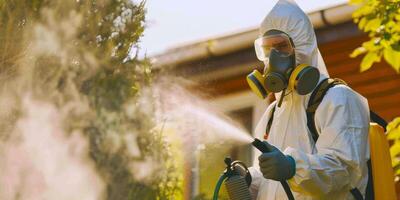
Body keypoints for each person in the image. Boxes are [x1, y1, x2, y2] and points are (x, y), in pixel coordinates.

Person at [247, 0, 370, 199]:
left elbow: (344, 172)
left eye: (281, 46)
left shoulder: (336, 98)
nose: (273, 58)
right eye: (268, 50)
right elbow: (269, 183)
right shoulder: (272, 113)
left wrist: (293, 168)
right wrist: (247, 180)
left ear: (303, 47)